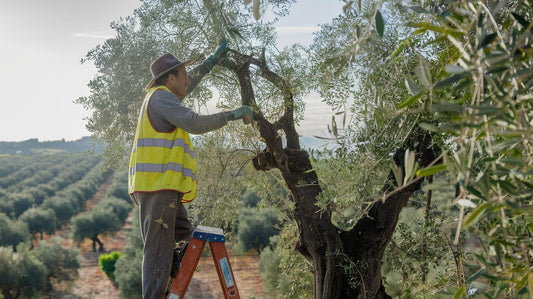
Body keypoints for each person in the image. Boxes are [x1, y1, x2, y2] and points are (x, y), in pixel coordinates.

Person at [128, 40, 252, 299]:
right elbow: (194, 123)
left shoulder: (164, 95)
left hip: (161, 187)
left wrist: (212, 60)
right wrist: (233, 114)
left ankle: (173, 266)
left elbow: (189, 83)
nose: (188, 80)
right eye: (183, 75)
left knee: (186, 233)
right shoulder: (161, 97)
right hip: (157, 187)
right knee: (157, 253)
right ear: (170, 78)